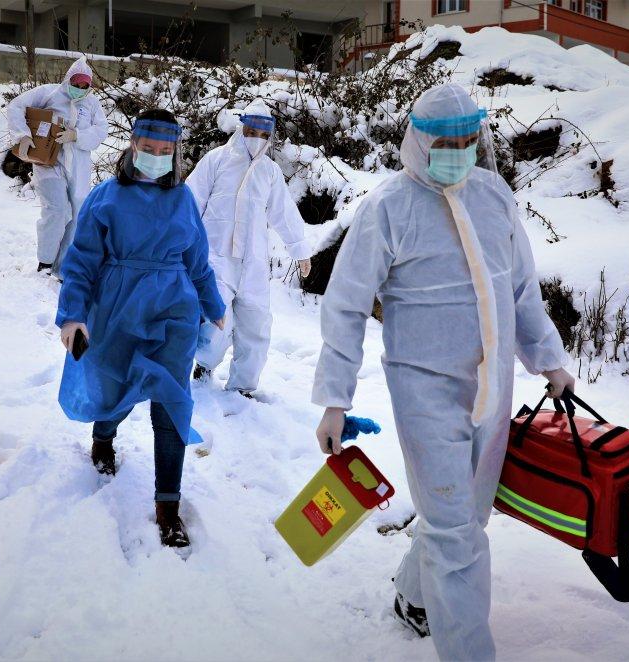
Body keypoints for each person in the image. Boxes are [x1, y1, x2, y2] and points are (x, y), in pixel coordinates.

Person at [310, 83, 576, 661]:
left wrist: (548, 359)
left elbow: (521, 288)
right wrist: (335, 397)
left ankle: (414, 595)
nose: (458, 150)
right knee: (456, 532)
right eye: (445, 141)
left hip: (494, 385)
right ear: (417, 141)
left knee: (465, 515)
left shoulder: (494, 196)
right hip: (424, 388)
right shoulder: (389, 207)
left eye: (467, 139)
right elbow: (347, 302)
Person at [56, 109, 226, 549]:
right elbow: (81, 261)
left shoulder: (184, 200)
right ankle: (104, 437)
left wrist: (214, 306)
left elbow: (198, 262)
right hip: (116, 307)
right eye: (147, 148)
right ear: (132, 146)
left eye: (164, 151)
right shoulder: (105, 197)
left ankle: (167, 506)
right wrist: (73, 315)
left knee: (171, 401)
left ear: (175, 153)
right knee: (114, 388)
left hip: (173, 310)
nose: (155, 156)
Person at [185, 99, 312, 398]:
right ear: (242, 127)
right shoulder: (216, 160)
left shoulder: (269, 171)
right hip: (215, 256)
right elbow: (190, 202)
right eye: (252, 129)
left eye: (263, 132)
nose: (257, 137)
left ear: (270, 134)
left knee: (256, 324)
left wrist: (300, 249)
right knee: (216, 319)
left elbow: (282, 211)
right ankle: (205, 363)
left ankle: (242, 387)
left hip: (254, 261)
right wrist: (181, 244)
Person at [8, 58, 109, 275]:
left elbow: (101, 131)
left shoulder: (92, 104)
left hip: (79, 166)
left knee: (77, 213)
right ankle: (45, 262)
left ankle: (63, 267)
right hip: (49, 164)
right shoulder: (49, 93)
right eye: (77, 83)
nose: (80, 89)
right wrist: (23, 135)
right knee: (57, 209)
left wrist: (77, 136)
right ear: (68, 80)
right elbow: (16, 105)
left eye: (85, 86)